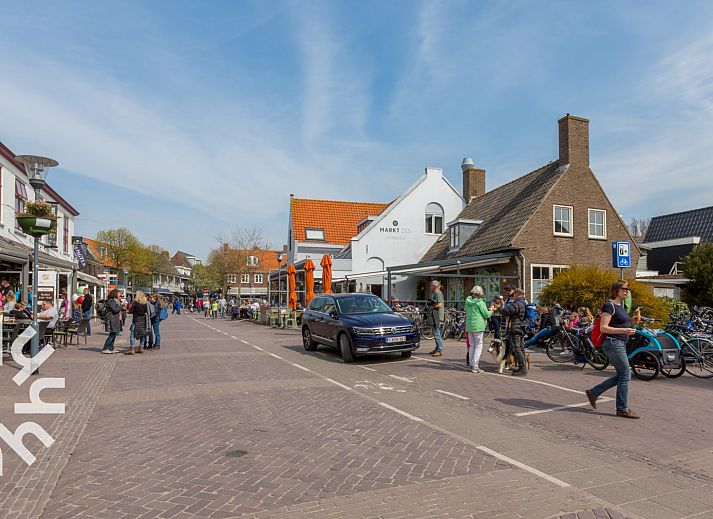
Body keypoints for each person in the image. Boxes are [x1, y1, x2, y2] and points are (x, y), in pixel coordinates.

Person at [586, 281, 641, 419]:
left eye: (628, 289)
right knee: (626, 374)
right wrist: (625, 330)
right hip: (613, 343)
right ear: (616, 290)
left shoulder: (619, 306)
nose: (627, 291)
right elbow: (604, 327)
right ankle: (622, 409)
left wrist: (633, 320)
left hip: (620, 343)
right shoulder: (609, 305)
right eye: (624, 289)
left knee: (623, 374)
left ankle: (594, 392)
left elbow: (620, 322)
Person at [500, 287, 528, 376]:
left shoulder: (517, 303)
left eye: (514, 294)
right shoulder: (524, 302)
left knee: (517, 348)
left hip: (516, 328)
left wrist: (498, 308)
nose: (513, 296)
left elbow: (506, 311)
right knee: (520, 347)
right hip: (521, 328)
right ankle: (522, 367)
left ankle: (522, 368)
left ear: (516, 294)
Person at [465, 285, 492, 373]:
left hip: (469, 325)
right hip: (478, 325)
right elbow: (486, 314)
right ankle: (475, 365)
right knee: (478, 346)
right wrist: (492, 310)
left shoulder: (467, 301)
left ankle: (471, 364)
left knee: (472, 345)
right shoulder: (481, 302)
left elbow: (466, 310)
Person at [126, 291, 151, 355]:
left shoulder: (135, 302)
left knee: (132, 335)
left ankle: (132, 349)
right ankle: (141, 348)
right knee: (142, 334)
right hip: (143, 320)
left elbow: (130, 311)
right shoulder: (146, 303)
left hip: (136, 319)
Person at [102, 289, 122, 354]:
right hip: (111, 319)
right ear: (115, 294)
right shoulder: (111, 301)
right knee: (112, 334)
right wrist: (120, 306)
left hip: (115, 319)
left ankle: (111, 348)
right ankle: (105, 348)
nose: (120, 295)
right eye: (119, 293)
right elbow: (115, 310)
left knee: (114, 334)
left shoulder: (115, 301)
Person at [429, 280, 445, 357]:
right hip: (435, 316)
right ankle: (437, 348)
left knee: (437, 333)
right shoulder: (436, 293)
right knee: (436, 332)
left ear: (435, 286)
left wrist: (432, 305)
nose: (430, 287)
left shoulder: (438, 293)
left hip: (437, 316)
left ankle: (439, 349)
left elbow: (440, 305)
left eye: (431, 286)